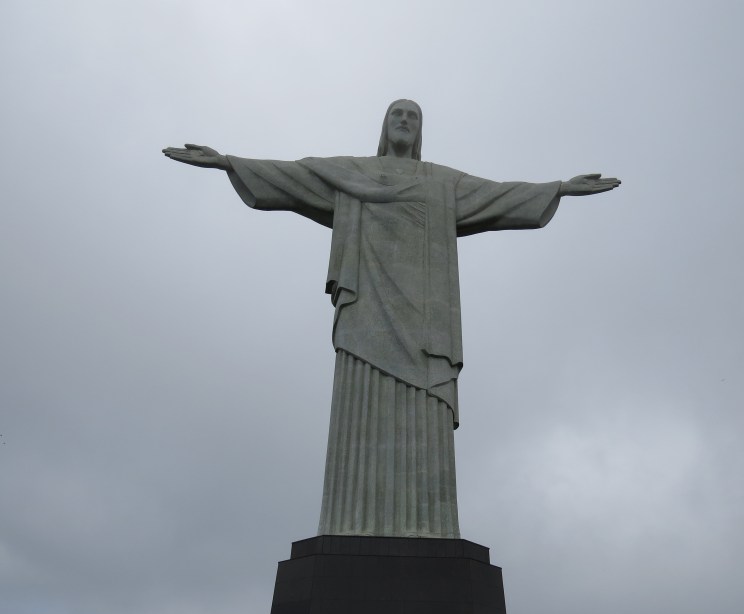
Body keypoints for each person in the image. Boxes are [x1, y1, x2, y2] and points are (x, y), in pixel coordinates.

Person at [163, 99, 620, 539]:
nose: (404, 121)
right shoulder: (351, 173)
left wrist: (558, 188)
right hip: (366, 312)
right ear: (384, 126)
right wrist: (227, 162)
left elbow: (498, 195)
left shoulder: (443, 183)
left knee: (425, 413)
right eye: (397, 114)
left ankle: (430, 526)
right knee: (360, 402)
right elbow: (293, 176)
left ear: (420, 131)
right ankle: (349, 520)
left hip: (425, 321)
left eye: (413, 116)